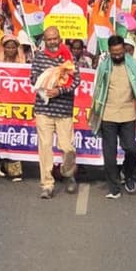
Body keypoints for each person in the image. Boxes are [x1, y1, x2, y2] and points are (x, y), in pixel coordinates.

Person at [88, 35, 136, 199]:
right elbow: (97, 89)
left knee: (131, 149)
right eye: (114, 53)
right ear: (109, 51)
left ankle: (128, 175)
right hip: (108, 114)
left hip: (128, 114)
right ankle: (114, 187)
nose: (117, 55)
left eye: (119, 52)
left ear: (124, 50)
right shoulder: (104, 66)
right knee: (109, 154)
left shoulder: (134, 65)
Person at [30, 27, 81, 199]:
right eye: (49, 39)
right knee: (45, 147)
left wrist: (59, 91)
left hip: (63, 109)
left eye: (55, 38)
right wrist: (46, 86)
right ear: (45, 40)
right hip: (43, 109)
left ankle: (68, 174)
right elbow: (33, 79)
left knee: (67, 147)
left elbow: (76, 80)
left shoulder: (68, 56)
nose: (52, 42)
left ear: (60, 38)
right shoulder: (39, 57)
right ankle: (47, 184)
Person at [0, 33, 26, 181]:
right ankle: (4, 163)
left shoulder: (23, 65)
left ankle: (15, 170)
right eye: (8, 47)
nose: (11, 50)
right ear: (3, 48)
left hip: (17, 107)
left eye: (13, 47)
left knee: (14, 137)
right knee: (2, 136)